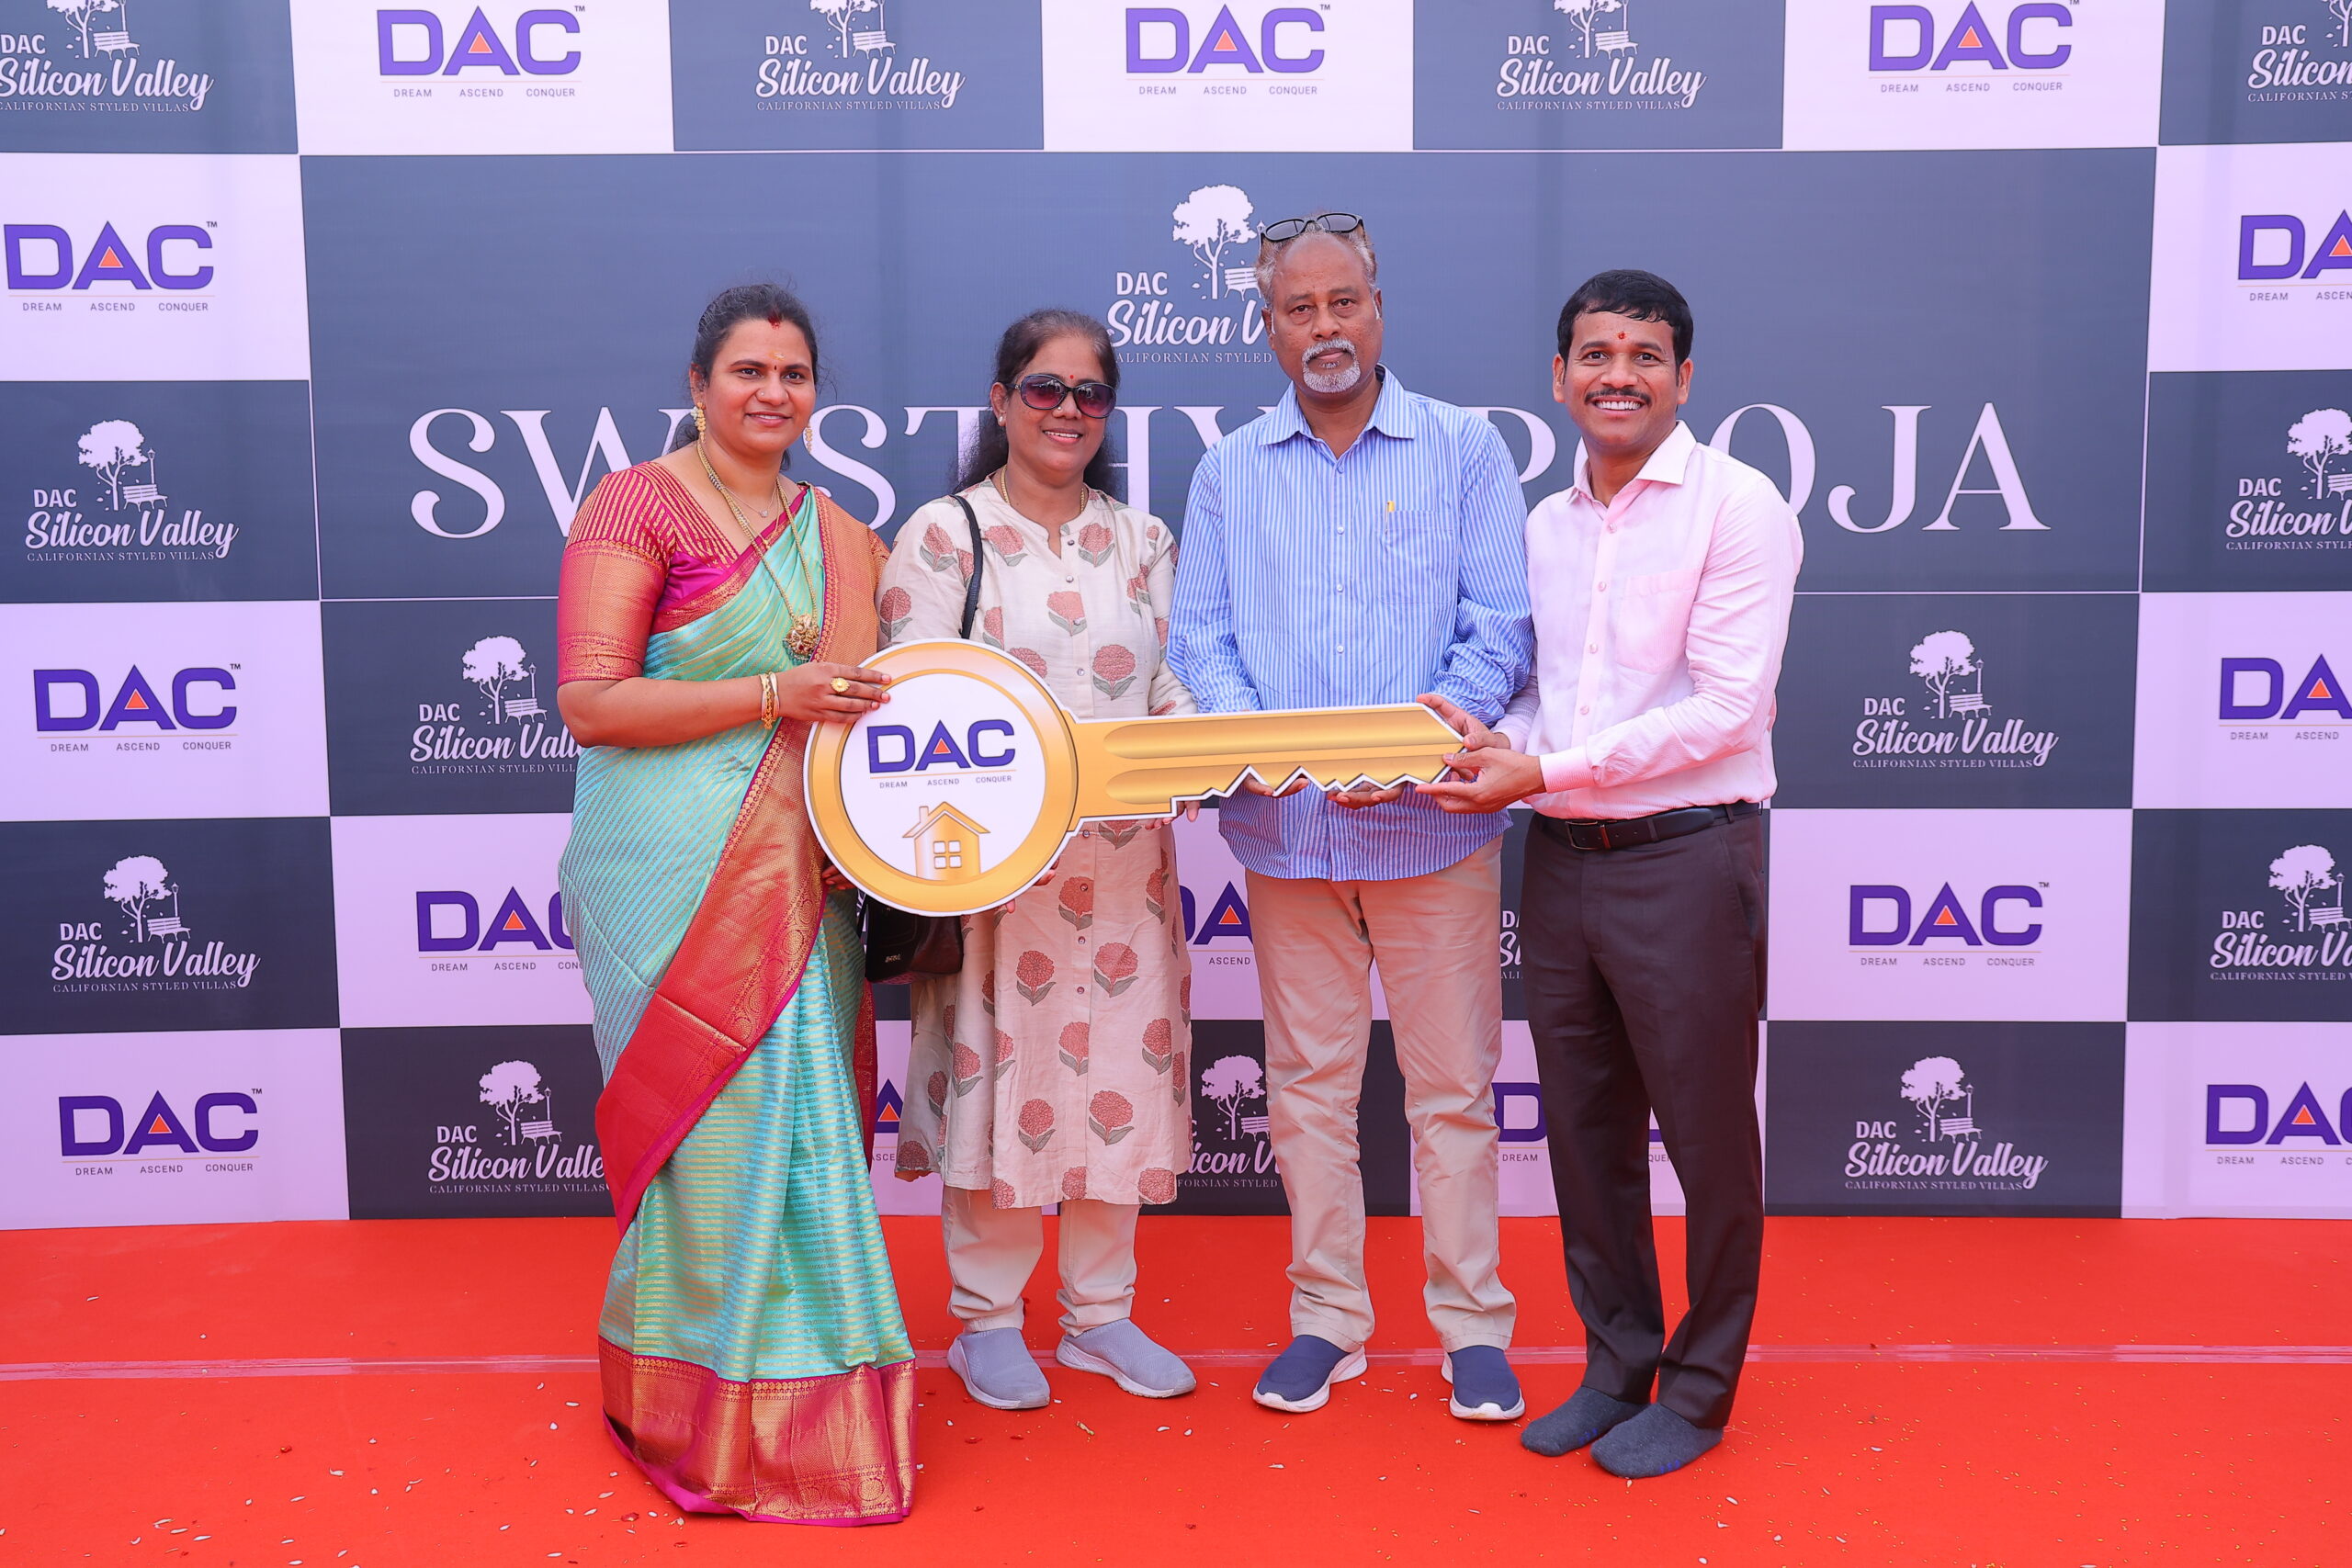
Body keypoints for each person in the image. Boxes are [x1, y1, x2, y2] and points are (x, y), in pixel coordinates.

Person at [1421, 269, 1802, 1479]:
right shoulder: (1546, 524)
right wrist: (1486, 740)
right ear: (1559, 376)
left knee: (1706, 1138)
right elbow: (1551, 694)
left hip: (1687, 855)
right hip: (1563, 860)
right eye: (1596, 354)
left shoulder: (1738, 505)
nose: (1618, 375)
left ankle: (1700, 1386)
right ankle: (1616, 1363)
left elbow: (1727, 706)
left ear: (1684, 378)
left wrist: (1537, 770)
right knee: (1585, 1136)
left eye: (1644, 356)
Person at [554, 284, 914, 1525]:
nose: (772, 391)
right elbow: (592, 702)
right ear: (699, 383)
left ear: (815, 393)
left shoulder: (847, 536)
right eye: (748, 370)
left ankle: (812, 1406)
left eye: (793, 373)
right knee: (708, 1132)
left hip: (804, 870)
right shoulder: (635, 504)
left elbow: (885, 709)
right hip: (668, 867)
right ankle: (690, 1405)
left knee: (800, 1123)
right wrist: (773, 693)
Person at [1167, 212, 1534, 1422]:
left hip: (1433, 831)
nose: (1323, 326)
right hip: (1291, 839)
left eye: (1343, 303)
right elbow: (1202, 643)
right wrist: (1275, 761)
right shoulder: (1228, 471)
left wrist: (1421, 750)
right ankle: (1327, 1317)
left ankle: (1472, 1323)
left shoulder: (1463, 448)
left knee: (1453, 1091)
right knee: (1308, 1090)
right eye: (1298, 308)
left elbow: (1498, 626)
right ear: (1268, 327)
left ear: (1378, 310)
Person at [885, 309, 1200, 1411]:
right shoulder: (945, 536)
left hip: (1124, 873)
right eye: (1044, 389)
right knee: (999, 1083)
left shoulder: (1142, 539)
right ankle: (986, 1324)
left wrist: (1200, 746)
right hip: (994, 879)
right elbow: (910, 697)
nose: (1068, 411)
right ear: (1002, 399)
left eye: (1089, 393)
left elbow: (1170, 683)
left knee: (1121, 1075)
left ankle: (1100, 1317)